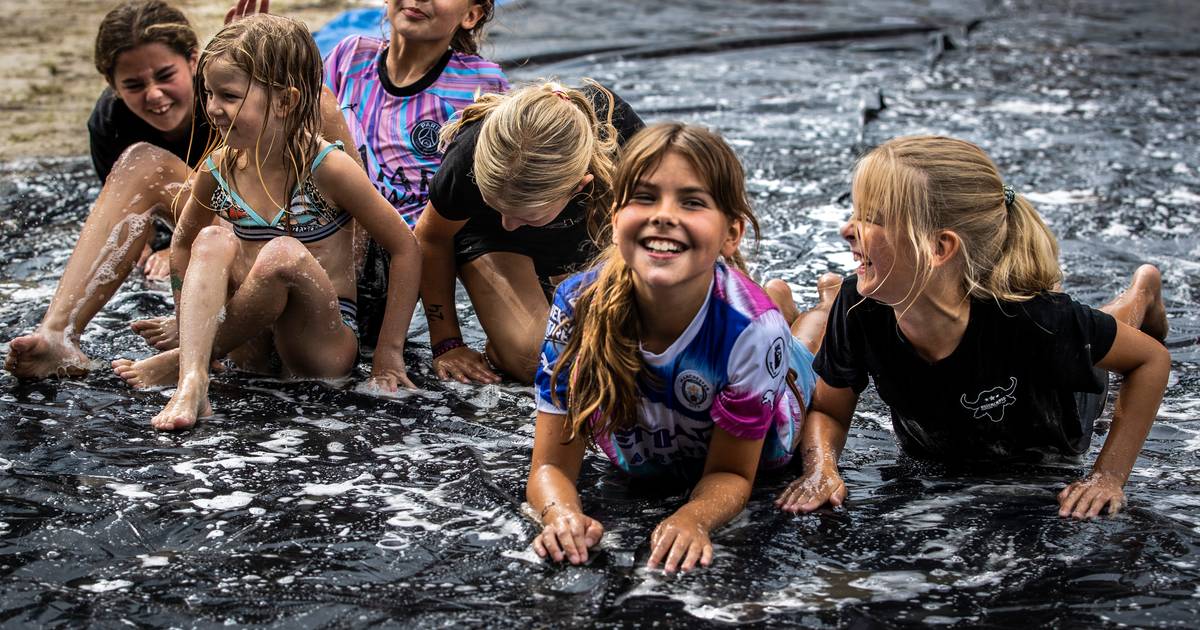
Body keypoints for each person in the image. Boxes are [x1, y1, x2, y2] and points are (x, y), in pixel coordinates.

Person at [774, 135, 1171, 520]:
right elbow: (828, 409)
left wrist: (1108, 476)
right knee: (1087, 331)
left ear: (939, 248)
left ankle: (1141, 292)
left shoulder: (1034, 320)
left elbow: (1150, 360)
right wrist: (820, 468)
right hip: (950, 439)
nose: (847, 229)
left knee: (1100, 341)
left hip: (1056, 412)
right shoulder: (858, 306)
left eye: (871, 219)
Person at [525, 123, 838, 573]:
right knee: (777, 334)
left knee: (803, 350)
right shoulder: (577, 306)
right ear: (614, 220)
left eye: (691, 202)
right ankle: (780, 298)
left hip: (768, 404)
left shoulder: (752, 330)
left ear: (731, 233)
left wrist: (693, 518)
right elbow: (550, 464)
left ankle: (822, 306)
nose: (664, 215)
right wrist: (560, 514)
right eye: (645, 197)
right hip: (664, 434)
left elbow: (730, 473)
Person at [3, 0, 355, 379]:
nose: (154, 95)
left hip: (294, 240)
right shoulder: (109, 121)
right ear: (112, 86)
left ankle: (200, 350)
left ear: (193, 61)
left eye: (165, 75)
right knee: (141, 161)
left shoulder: (268, 97)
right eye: (134, 85)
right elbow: (136, 222)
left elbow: (354, 207)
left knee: (225, 230)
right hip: (221, 219)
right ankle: (58, 333)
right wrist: (162, 247)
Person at [111, 14, 421, 431]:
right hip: (250, 347)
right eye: (208, 93)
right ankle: (192, 378)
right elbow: (182, 245)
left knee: (281, 253)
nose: (213, 109)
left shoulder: (328, 167)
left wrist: (388, 352)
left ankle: (192, 361)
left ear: (286, 101)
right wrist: (188, 323)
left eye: (229, 96)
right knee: (210, 239)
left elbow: (406, 247)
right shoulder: (219, 169)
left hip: (317, 346)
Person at [415, 80, 644, 385]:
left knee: (627, 354)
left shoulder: (618, 130)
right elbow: (431, 237)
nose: (508, 221)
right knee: (544, 363)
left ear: (579, 186)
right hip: (492, 241)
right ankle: (509, 344)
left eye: (524, 216)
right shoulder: (470, 153)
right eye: (494, 205)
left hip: (584, 234)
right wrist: (447, 343)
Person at [323, 0, 508, 345]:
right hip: (334, 236)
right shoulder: (350, 57)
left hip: (403, 255)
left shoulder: (480, 83)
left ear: (470, 15)